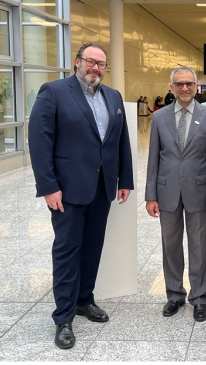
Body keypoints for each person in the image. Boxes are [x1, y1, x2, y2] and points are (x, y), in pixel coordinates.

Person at [28, 42, 134, 350]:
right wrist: (48, 187)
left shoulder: (112, 96)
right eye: (91, 61)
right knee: (67, 251)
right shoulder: (54, 92)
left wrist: (123, 179)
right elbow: (40, 141)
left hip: (102, 189)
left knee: (92, 248)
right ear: (77, 62)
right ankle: (63, 317)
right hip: (67, 190)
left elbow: (120, 142)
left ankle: (84, 299)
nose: (96, 68)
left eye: (101, 64)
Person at [145, 66, 206, 322]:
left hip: (199, 192)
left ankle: (200, 298)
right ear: (172, 87)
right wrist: (150, 195)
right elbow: (153, 158)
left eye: (189, 83)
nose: (185, 88)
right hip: (166, 192)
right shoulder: (159, 117)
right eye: (179, 84)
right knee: (170, 247)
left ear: (197, 87)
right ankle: (174, 295)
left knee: (200, 247)